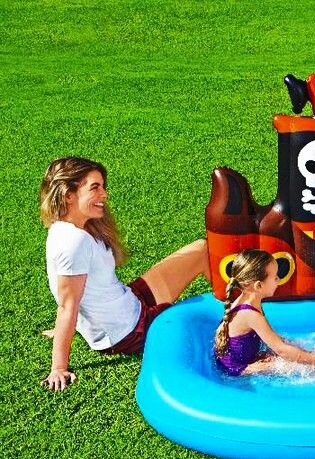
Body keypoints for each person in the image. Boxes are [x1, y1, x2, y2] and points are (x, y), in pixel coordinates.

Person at [40, 157, 212, 391]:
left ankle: (237, 303)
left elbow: (76, 290)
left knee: (200, 250)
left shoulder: (73, 227)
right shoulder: (73, 242)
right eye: (95, 187)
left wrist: (74, 326)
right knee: (206, 323)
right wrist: (58, 368)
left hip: (129, 300)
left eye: (103, 186)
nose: (104, 194)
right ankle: (242, 310)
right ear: (68, 195)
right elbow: (67, 305)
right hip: (130, 332)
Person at [214, 249, 315, 375]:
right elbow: (282, 350)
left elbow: (274, 341)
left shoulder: (247, 300)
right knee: (300, 366)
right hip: (238, 368)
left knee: (305, 354)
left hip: (243, 357)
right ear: (259, 286)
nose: (278, 279)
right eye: (275, 276)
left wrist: (309, 354)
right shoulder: (251, 314)